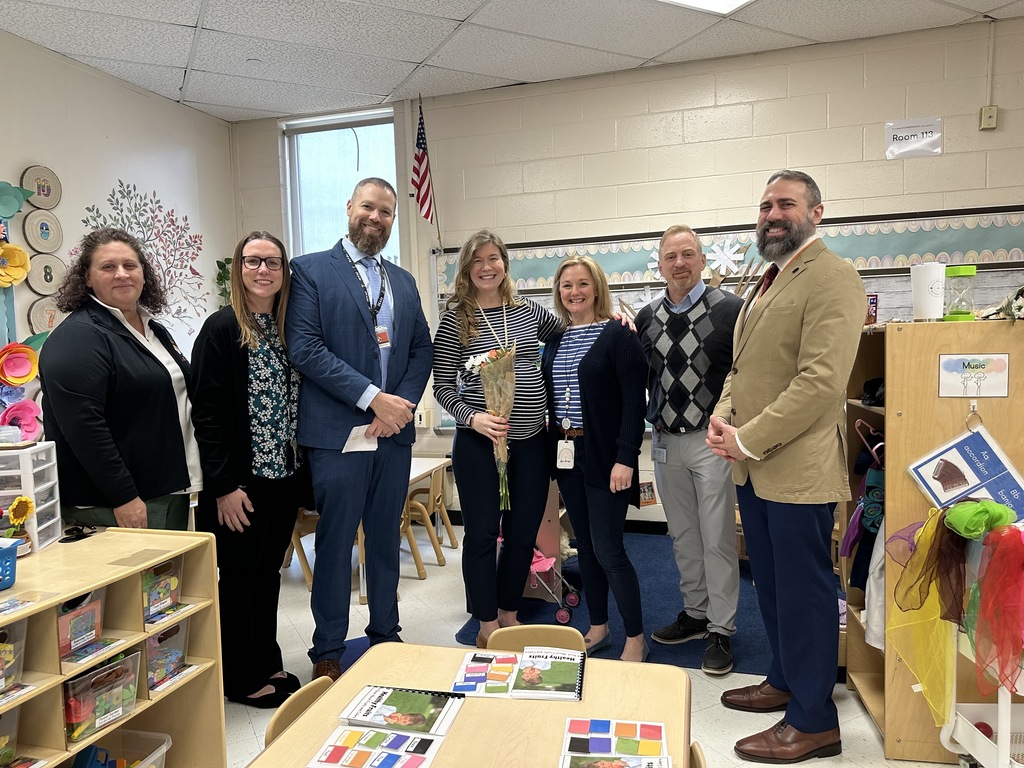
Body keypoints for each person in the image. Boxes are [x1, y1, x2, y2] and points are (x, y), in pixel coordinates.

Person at [707, 170, 866, 763]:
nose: (773, 213)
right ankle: (785, 679)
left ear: (817, 212)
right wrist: (723, 421)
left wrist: (746, 438)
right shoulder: (766, 281)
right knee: (771, 586)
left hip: (795, 471)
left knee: (804, 592)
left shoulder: (833, 276)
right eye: (766, 204)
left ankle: (814, 719)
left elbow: (821, 385)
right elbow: (740, 370)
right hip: (753, 466)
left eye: (787, 204)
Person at [286, 178, 433, 682]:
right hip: (338, 435)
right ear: (349, 208)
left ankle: (386, 635)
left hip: (392, 435)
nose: (376, 218)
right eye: (368, 208)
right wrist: (374, 399)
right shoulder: (308, 271)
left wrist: (400, 407)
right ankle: (327, 646)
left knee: (386, 539)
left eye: (386, 212)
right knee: (336, 542)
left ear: (394, 220)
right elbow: (305, 348)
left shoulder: (404, 280)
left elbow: (421, 351)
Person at [191, 231, 306, 708]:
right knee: (239, 577)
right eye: (253, 261)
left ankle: (266, 659)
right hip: (241, 482)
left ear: (284, 272)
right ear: (238, 269)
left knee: (268, 574)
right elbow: (207, 414)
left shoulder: (287, 329)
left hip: (283, 476)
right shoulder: (222, 328)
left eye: (273, 262)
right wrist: (223, 485)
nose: (263, 270)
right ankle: (239, 677)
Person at [432, 229, 562, 648]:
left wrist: (614, 322)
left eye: (494, 259)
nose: (486, 267)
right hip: (478, 445)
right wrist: (473, 419)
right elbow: (443, 387)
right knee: (484, 533)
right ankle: (486, 621)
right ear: (467, 270)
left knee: (523, 532)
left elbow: (572, 337)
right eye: (477, 261)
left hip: (529, 442)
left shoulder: (531, 312)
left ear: (505, 263)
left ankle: (510, 612)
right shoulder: (456, 320)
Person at [39, 227, 201, 530]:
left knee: (170, 578)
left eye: (130, 265)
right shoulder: (78, 337)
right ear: (87, 277)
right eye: (108, 267)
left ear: (143, 273)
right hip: (118, 503)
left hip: (166, 490)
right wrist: (124, 496)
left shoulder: (153, 330)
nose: (122, 274)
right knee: (137, 580)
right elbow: (84, 427)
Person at [635, 226, 742, 676]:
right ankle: (696, 614)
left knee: (716, 535)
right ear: (659, 264)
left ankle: (722, 628)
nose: (679, 263)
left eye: (688, 255)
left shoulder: (731, 310)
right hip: (664, 441)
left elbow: (744, 371)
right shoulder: (645, 317)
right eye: (670, 256)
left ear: (702, 260)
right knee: (682, 534)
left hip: (711, 441)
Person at [541, 256, 647, 662]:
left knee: (608, 548)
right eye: (567, 286)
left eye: (583, 284)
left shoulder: (619, 334)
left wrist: (626, 458)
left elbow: (633, 404)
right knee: (584, 545)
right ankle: (598, 626)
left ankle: (636, 636)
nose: (575, 292)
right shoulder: (556, 338)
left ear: (597, 287)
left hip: (606, 456)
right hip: (568, 453)